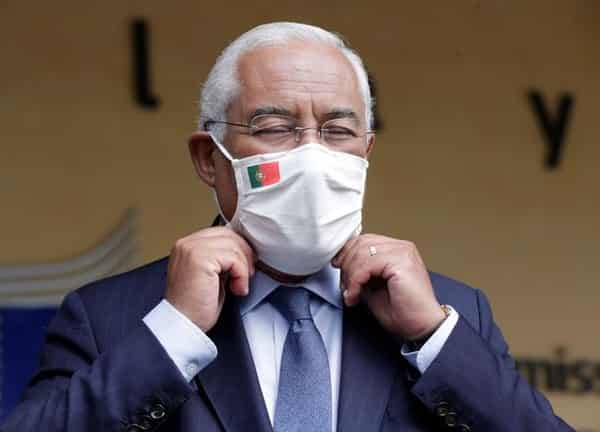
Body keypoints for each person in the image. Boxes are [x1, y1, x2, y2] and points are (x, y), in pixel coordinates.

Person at [2, 22, 573, 432]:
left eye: (337, 131)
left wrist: (430, 338)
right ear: (209, 158)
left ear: (366, 153)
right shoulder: (111, 317)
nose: (311, 155)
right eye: (274, 127)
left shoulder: (451, 313)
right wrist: (174, 332)